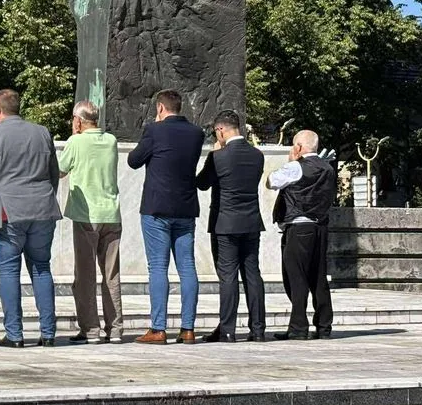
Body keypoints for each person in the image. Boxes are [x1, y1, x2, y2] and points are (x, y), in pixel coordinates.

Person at [0, 89, 62, 348]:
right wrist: (45, 198)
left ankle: (15, 334)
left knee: (9, 271)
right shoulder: (43, 132)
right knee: (42, 267)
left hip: (8, 211)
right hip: (43, 208)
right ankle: (48, 332)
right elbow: (53, 173)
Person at [127, 89, 205, 345]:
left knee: (158, 267)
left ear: (160, 108)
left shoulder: (154, 130)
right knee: (187, 267)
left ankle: (158, 329)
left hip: (157, 208)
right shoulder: (196, 133)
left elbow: (134, 161)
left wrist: (154, 132)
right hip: (185, 207)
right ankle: (188, 328)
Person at [195, 110, 266, 343]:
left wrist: (212, 155)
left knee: (228, 277)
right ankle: (258, 329)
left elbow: (202, 183)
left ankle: (227, 329)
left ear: (221, 130)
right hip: (251, 222)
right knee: (252, 274)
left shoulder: (219, 157)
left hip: (225, 223)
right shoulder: (257, 155)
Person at [58, 100, 123, 344]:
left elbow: (61, 169)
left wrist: (74, 137)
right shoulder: (111, 141)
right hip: (111, 214)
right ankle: (115, 329)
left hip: (86, 215)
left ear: (78, 120)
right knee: (111, 275)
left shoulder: (76, 142)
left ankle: (91, 330)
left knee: (85, 275)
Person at [266, 129, 335, 341]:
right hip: (320, 227)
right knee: (318, 277)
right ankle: (324, 326)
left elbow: (270, 181)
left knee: (295, 277)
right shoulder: (328, 168)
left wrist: (290, 161)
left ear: (298, 147)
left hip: (298, 227)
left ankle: (298, 326)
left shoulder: (295, 167)